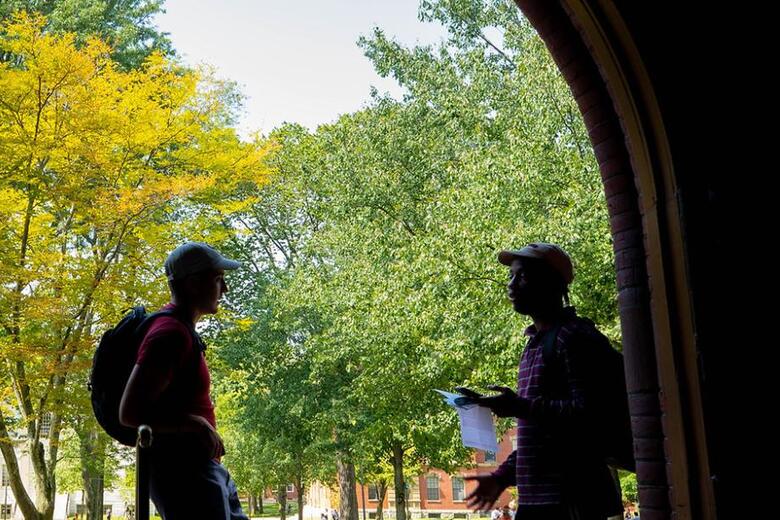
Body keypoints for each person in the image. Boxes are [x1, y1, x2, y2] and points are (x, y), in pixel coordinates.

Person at [461, 243, 623, 520]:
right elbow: (540, 435)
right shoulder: (534, 345)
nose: (511, 285)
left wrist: (520, 407)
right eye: (510, 276)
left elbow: (590, 413)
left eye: (522, 276)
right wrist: (500, 477)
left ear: (552, 284)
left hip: (571, 498)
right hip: (537, 500)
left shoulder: (574, 339)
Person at [119, 242, 247, 519]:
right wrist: (195, 424)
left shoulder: (180, 331)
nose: (224, 289)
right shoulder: (169, 335)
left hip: (203, 471)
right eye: (217, 280)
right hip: (185, 477)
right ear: (192, 284)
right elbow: (129, 412)